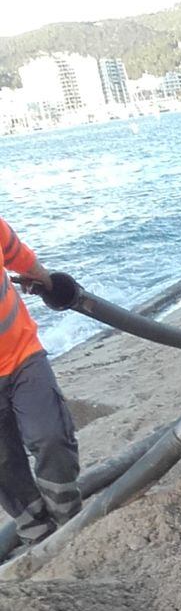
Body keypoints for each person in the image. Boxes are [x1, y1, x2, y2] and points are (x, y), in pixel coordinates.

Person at [0, 217, 81, 546]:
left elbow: (17, 254)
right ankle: (37, 532)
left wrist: (46, 281)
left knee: (51, 436)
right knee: (5, 464)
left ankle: (69, 519)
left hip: (22, 355)